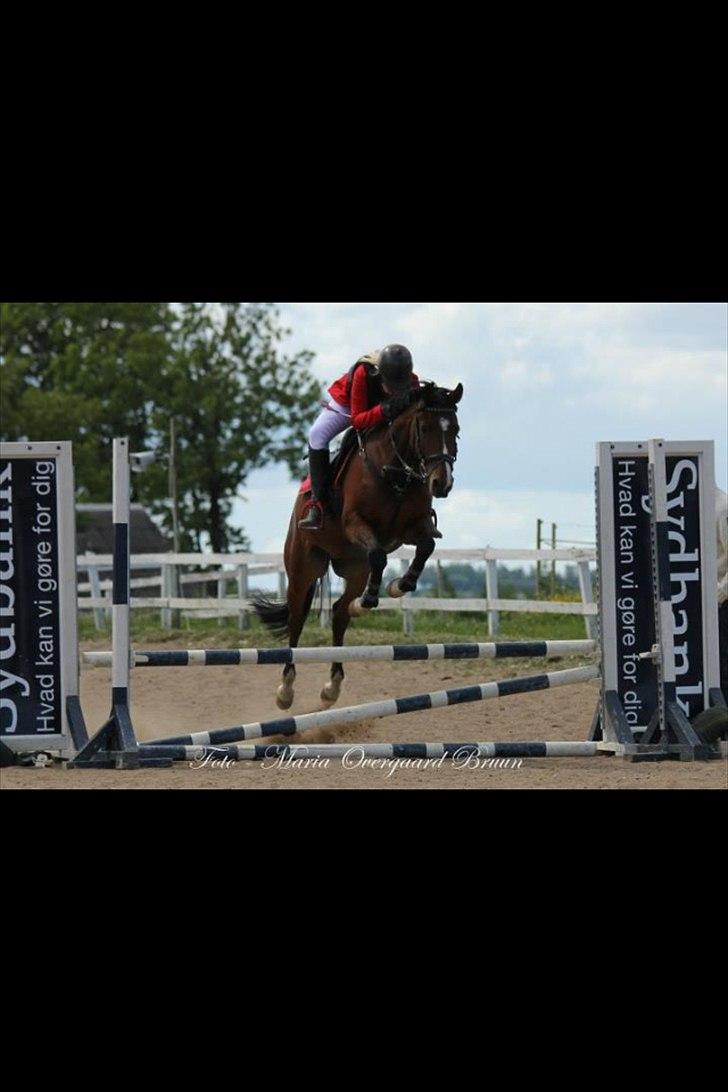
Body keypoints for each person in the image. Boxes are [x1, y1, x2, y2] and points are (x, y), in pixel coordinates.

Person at [298, 344, 420, 531]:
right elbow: (358, 420)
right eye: (390, 385)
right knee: (317, 435)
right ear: (380, 373)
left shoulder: (410, 380)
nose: (394, 391)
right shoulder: (364, 373)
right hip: (350, 405)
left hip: (382, 410)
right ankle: (318, 503)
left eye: (399, 386)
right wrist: (383, 410)